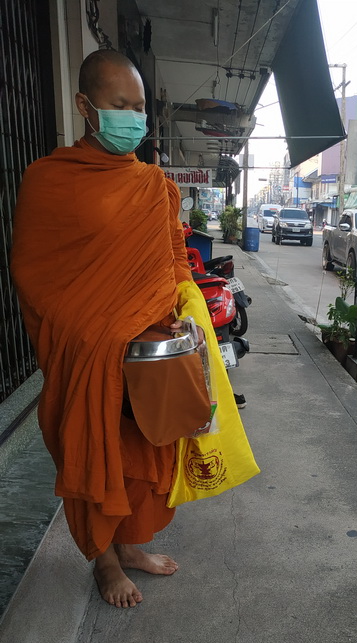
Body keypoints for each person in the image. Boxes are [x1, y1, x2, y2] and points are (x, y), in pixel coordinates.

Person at [10, 50, 255, 608]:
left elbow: (174, 255)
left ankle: (129, 546)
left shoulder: (153, 185)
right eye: (120, 105)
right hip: (88, 349)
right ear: (85, 106)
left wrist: (184, 308)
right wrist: (91, 328)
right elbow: (32, 270)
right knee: (95, 452)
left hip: (148, 350)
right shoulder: (48, 181)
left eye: (140, 107)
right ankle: (104, 563)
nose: (134, 119)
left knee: (146, 454)